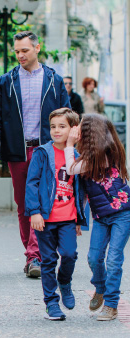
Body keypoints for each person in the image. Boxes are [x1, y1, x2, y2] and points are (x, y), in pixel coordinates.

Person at [0, 31, 71, 278]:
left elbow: (69, 117)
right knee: (24, 204)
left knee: (43, 201)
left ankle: (35, 256)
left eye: (25, 50)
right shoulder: (6, 81)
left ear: (37, 48)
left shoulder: (54, 80)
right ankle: (34, 254)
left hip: (47, 151)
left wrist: (70, 151)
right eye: (17, 51)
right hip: (18, 152)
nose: (20, 55)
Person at [65, 114, 130, 321]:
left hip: (122, 214)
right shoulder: (89, 156)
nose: (77, 130)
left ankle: (111, 305)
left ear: (91, 133)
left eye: (81, 128)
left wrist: (69, 144)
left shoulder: (104, 155)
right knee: (94, 258)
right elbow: (82, 192)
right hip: (101, 216)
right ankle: (100, 288)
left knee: (113, 260)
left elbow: (71, 169)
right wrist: (78, 219)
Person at [25, 108, 87, 320]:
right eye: (53, 126)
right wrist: (34, 212)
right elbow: (31, 183)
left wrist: (79, 218)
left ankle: (65, 282)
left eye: (62, 126)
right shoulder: (42, 153)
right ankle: (51, 303)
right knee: (48, 260)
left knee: (69, 254)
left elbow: (80, 191)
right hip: (45, 218)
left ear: (73, 130)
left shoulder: (77, 156)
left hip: (68, 218)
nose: (56, 130)